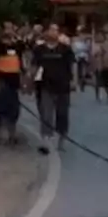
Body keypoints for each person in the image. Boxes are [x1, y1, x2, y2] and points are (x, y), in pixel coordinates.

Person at [31, 23, 74, 154]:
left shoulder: (65, 49)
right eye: (50, 30)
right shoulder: (39, 49)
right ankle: (46, 141)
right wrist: (29, 81)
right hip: (45, 86)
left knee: (62, 115)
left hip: (63, 86)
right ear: (46, 33)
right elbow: (34, 66)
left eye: (56, 30)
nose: (53, 32)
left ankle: (61, 141)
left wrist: (74, 81)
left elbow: (73, 66)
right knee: (46, 114)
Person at [0, 22, 25, 145]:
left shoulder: (17, 46)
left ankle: (12, 135)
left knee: (13, 111)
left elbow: (20, 62)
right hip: (1, 81)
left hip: (14, 83)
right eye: (7, 28)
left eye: (12, 28)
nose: (10, 30)